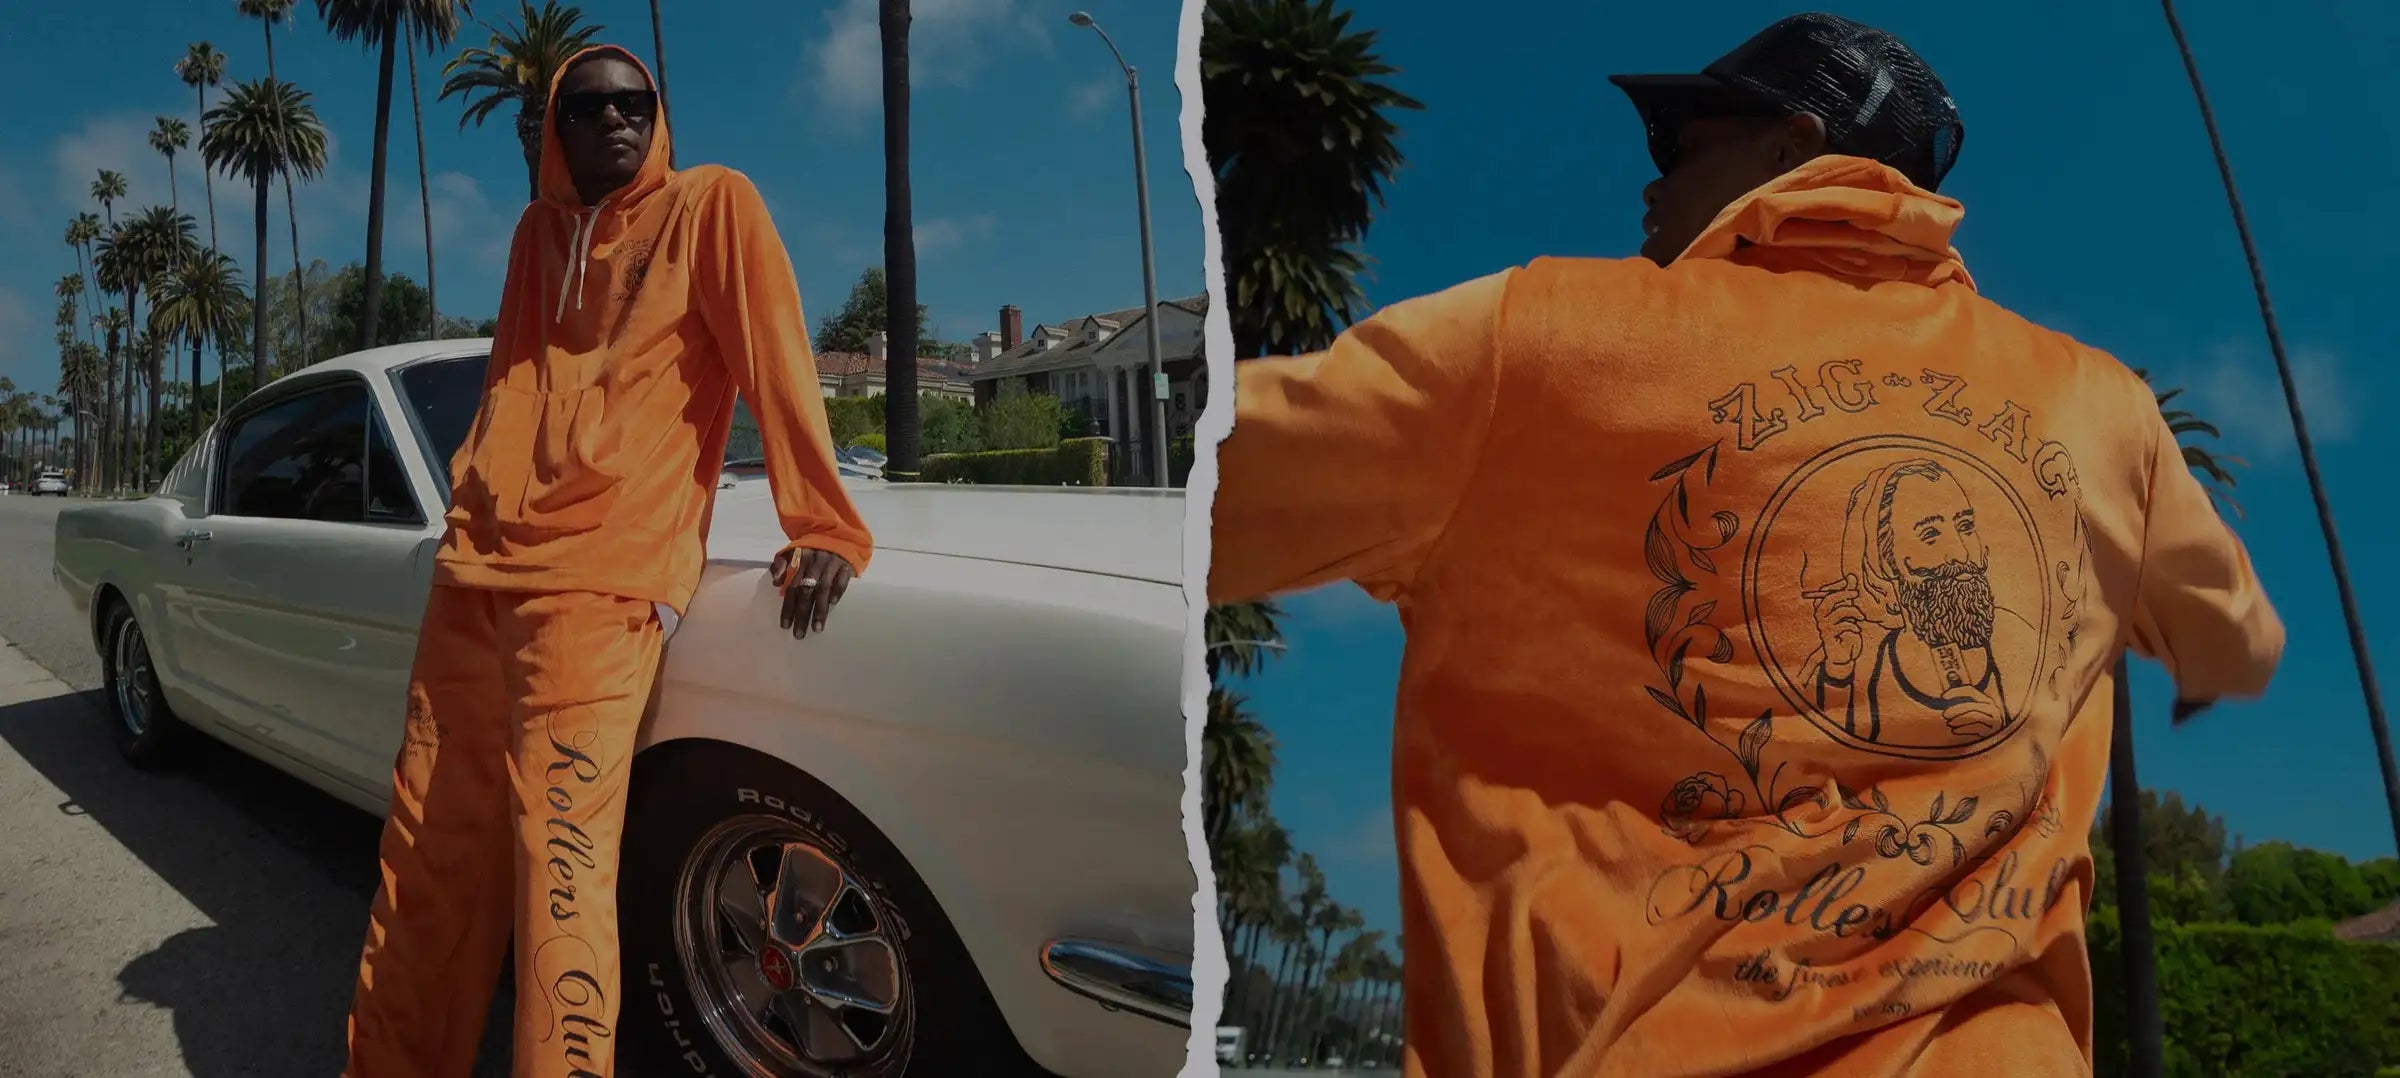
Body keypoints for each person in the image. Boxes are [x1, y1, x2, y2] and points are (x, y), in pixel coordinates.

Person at [1208, 12, 2283, 1077]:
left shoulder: (1537, 344)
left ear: (1790, 148)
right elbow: (2234, 636)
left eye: (1681, 143)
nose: (1651, 178)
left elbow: (1200, 483)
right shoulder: (2104, 412)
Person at [343, 44, 870, 1078]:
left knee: (561, 876)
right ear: (555, 131)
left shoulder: (712, 205)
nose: (615, 120)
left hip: (601, 580)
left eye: (636, 103)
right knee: (424, 857)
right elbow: (513, 380)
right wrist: (471, 495)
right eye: (587, 109)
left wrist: (824, 521)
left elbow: (773, 352)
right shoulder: (536, 233)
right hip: (475, 571)